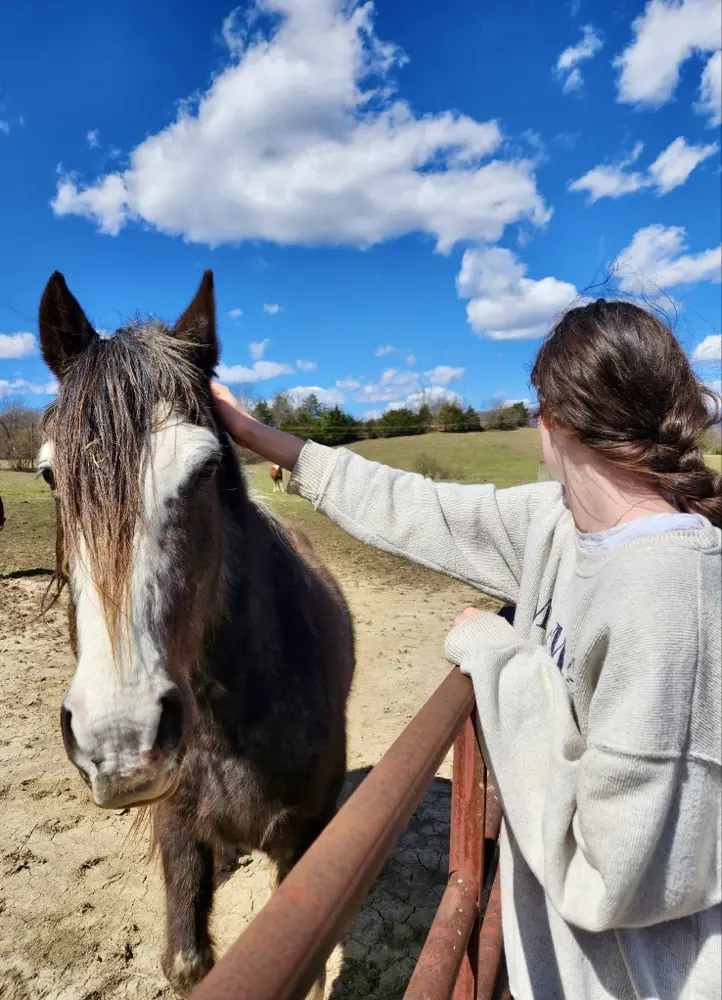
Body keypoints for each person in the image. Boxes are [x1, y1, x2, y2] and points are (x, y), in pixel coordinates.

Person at [210, 299, 721, 1000]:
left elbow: (613, 876)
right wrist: (256, 434)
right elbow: (416, 506)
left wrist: (499, 659)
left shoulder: (672, 595)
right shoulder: (559, 525)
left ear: (554, 420)